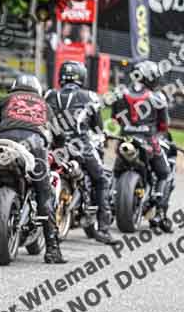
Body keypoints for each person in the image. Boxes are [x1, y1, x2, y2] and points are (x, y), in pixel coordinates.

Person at [0, 74, 67, 264]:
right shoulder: (44, 104)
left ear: (14, 87)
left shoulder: (5, 100)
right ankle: (52, 249)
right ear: (37, 90)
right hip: (34, 147)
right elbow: (59, 136)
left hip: (4, 145)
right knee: (44, 192)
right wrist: (57, 148)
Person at [45, 61, 115, 244]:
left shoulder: (50, 94)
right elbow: (98, 127)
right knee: (101, 180)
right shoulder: (90, 96)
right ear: (82, 77)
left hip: (55, 147)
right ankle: (104, 229)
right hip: (81, 146)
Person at [111, 60, 173, 231]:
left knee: (115, 172)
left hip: (125, 140)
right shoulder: (158, 97)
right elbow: (163, 126)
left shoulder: (120, 94)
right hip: (149, 142)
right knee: (165, 174)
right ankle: (159, 206)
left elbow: (115, 118)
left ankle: (108, 198)